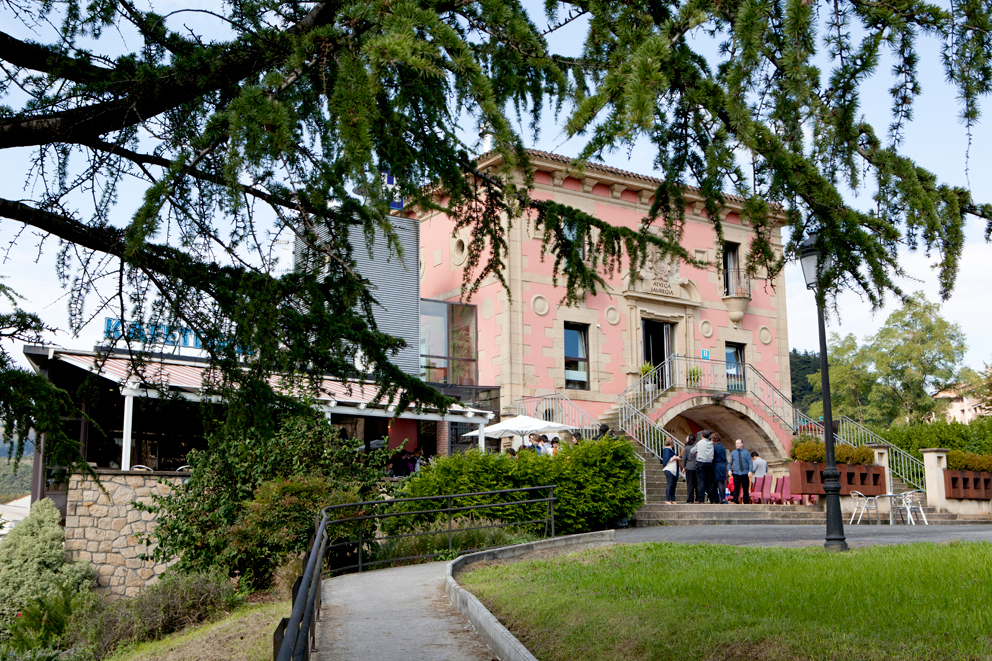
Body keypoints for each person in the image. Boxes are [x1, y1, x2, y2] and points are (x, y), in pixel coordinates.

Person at [730, 439, 754, 504]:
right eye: (736, 443)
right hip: (736, 473)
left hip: (744, 473)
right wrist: (729, 470)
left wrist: (750, 471)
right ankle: (735, 500)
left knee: (745, 488)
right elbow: (730, 462)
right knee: (736, 487)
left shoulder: (746, 453)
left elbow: (750, 462)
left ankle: (746, 502)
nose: (736, 445)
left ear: (742, 444)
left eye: (738, 443)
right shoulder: (733, 453)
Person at [695, 430, 714, 503]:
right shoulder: (711, 444)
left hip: (701, 463)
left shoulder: (699, 443)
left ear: (701, 435)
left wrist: (697, 453)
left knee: (701, 482)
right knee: (710, 482)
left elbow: (692, 451)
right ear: (709, 436)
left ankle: (700, 499)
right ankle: (712, 499)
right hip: (709, 463)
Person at [661, 437, 681, 504]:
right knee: (670, 484)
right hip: (669, 469)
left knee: (673, 485)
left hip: (673, 470)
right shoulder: (667, 450)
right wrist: (676, 458)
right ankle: (667, 499)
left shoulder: (669, 450)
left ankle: (673, 499)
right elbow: (668, 459)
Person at [681, 434, 698, 504]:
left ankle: (690, 499)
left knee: (690, 484)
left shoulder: (687, 448)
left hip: (689, 467)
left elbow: (684, 458)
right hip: (697, 466)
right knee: (697, 484)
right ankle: (698, 498)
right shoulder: (697, 446)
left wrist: (683, 467)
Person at [712, 433, 728, 504]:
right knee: (722, 482)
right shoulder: (722, 446)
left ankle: (720, 499)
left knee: (718, 482)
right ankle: (723, 498)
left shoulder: (714, 447)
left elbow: (713, 456)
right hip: (723, 465)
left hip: (717, 465)